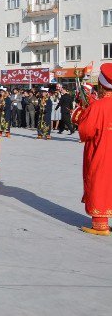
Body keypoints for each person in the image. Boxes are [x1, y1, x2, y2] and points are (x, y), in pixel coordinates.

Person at [78, 63, 112, 236]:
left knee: (99, 182)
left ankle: (100, 225)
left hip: (102, 152)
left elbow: (86, 131)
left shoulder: (97, 107)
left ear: (101, 85)